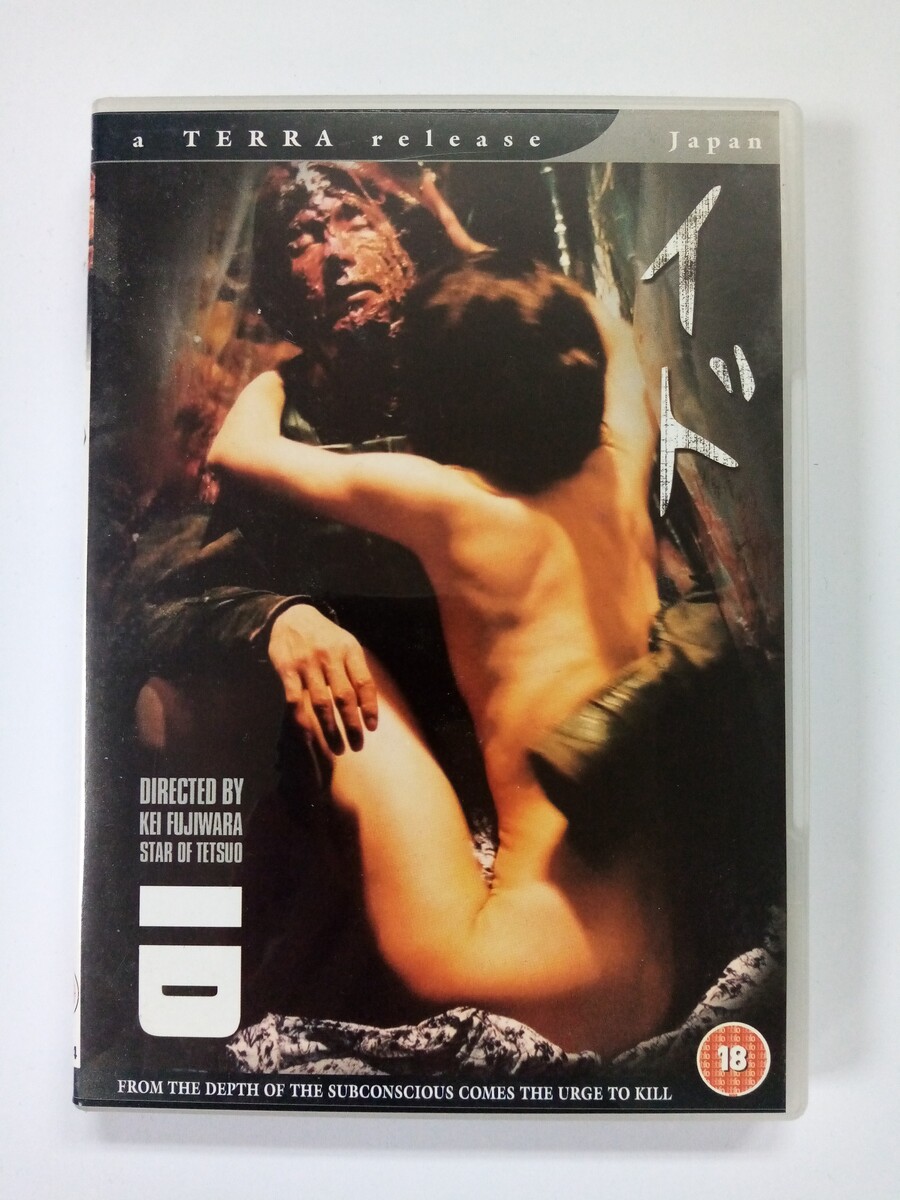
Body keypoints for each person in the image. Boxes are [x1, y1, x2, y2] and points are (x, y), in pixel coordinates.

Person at [208, 253, 675, 1057]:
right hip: (649, 973)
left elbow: (237, 450)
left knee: (342, 661)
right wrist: (486, 259)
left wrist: (275, 373)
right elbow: (617, 340)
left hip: (499, 963)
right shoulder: (624, 465)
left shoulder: (449, 504)